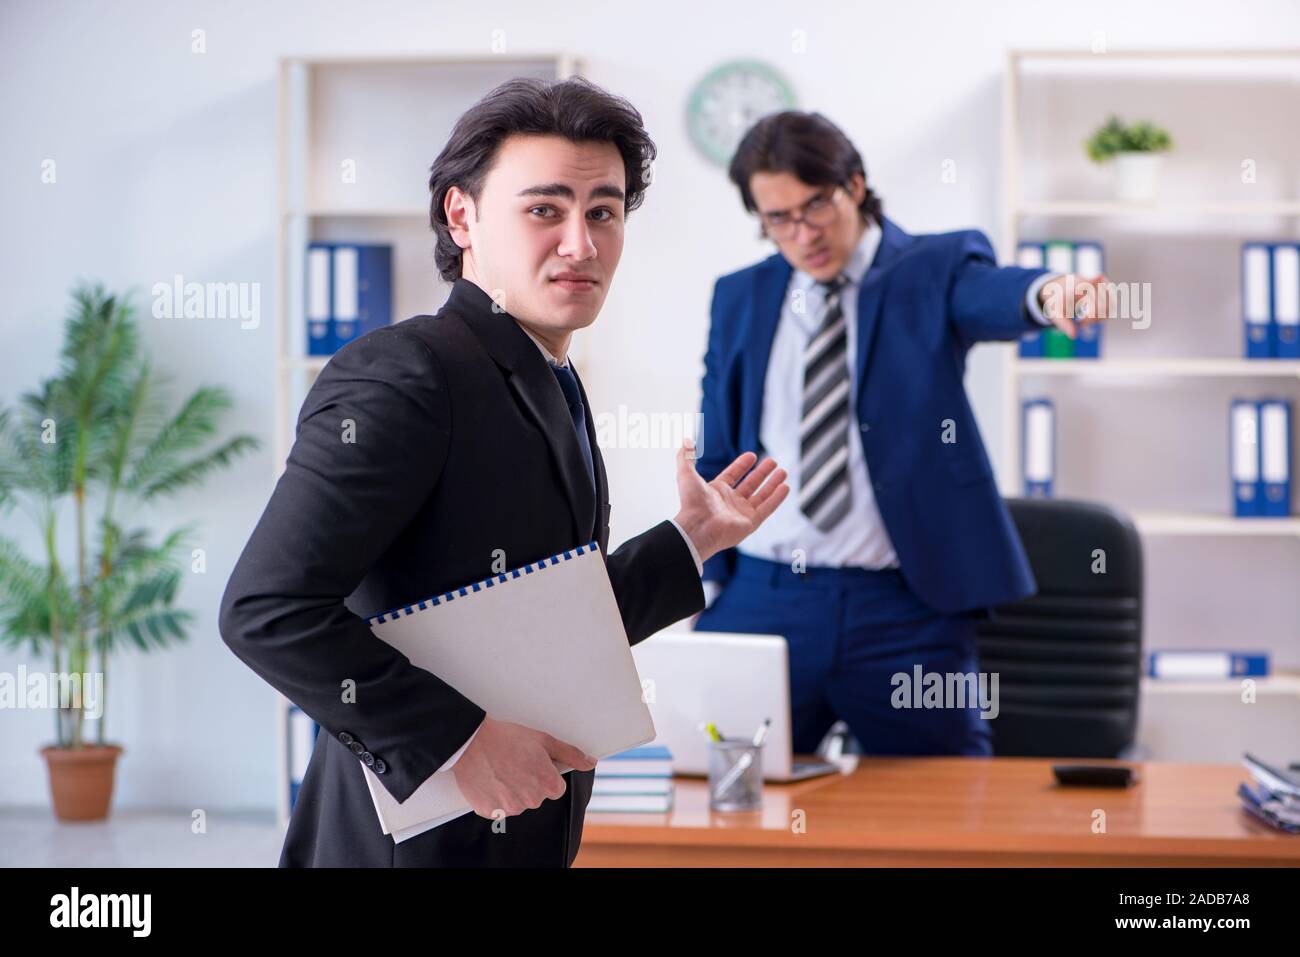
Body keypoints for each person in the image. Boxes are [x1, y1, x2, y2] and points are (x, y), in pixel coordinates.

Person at [219, 76, 788, 867]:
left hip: (520, 829)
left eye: (604, 211)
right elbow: (266, 608)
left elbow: (544, 628)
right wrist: (458, 739)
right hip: (408, 844)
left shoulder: (552, 378)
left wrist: (690, 541)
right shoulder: (406, 371)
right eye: (544, 209)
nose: (581, 244)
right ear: (464, 216)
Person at [694, 110, 1113, 757]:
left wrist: (1049, 293)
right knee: (720, 795)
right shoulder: (740, 296)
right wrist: (707, 586)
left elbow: (992, 295)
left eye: (817, 206)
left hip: (902, 609)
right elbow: (719, 446)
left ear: (854, 185)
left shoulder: (933, 266)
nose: (804, 234)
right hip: (763, 599)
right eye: (779, 219)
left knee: (951, 805)